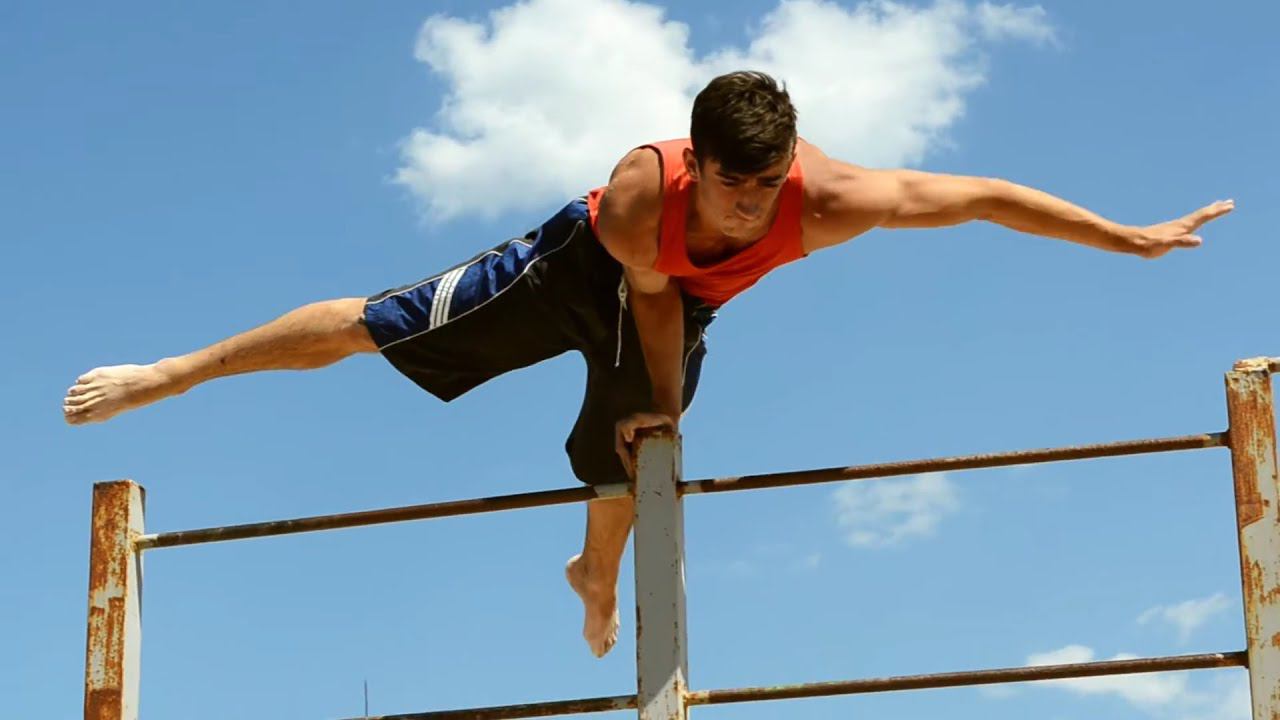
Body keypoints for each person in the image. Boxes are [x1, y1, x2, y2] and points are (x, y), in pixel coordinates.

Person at [61, 71, 1233, 658]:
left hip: (677, 310)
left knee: (634, 442)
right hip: (580, 268)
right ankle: (179, 370)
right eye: (732, 188)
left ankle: (593, 572)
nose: (748, 208)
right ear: (696, 165)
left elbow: (979, 196)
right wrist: (657, 400)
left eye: (764, 190)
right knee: (386, 323)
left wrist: (1125, 236)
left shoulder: (828, 201)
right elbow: (650, 314)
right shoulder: (639, 200)